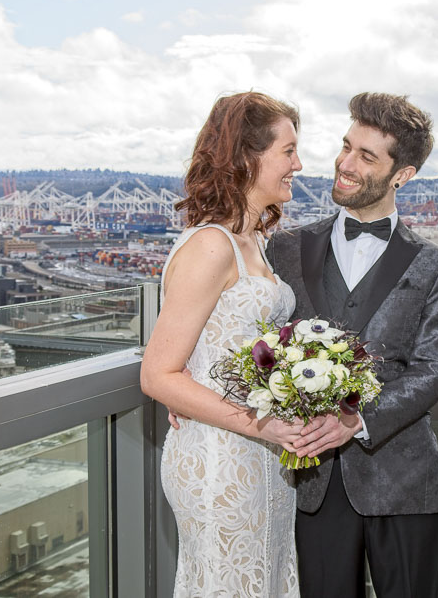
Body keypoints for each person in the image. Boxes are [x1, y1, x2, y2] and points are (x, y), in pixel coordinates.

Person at [266, 92, 438, 598]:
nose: (345, 164)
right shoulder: (285, 247)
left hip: (405, 482)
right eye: (346, 147)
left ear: (403, 174)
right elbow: (252, 334)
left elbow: (436, 365)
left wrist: (357, 419)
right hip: (314, 483)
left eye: (366, 156)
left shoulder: (435, 264)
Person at [140, 91, 305, 597]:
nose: (299, 164)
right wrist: (265, 424)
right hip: (220, 459)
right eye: (288, 151)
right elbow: (157, 374)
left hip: (264, 455)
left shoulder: (253, 240)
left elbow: (225, 345)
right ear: (248, 157)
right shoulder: (212, 244)